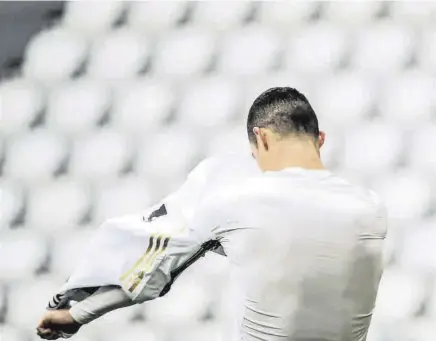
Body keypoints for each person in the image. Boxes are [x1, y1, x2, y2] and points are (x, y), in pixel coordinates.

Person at [37, 87, 387, 341]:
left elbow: (149, 276)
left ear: (261, 138)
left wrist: (75, 315)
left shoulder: (234, 202)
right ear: (320, 138)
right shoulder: (371, 207)